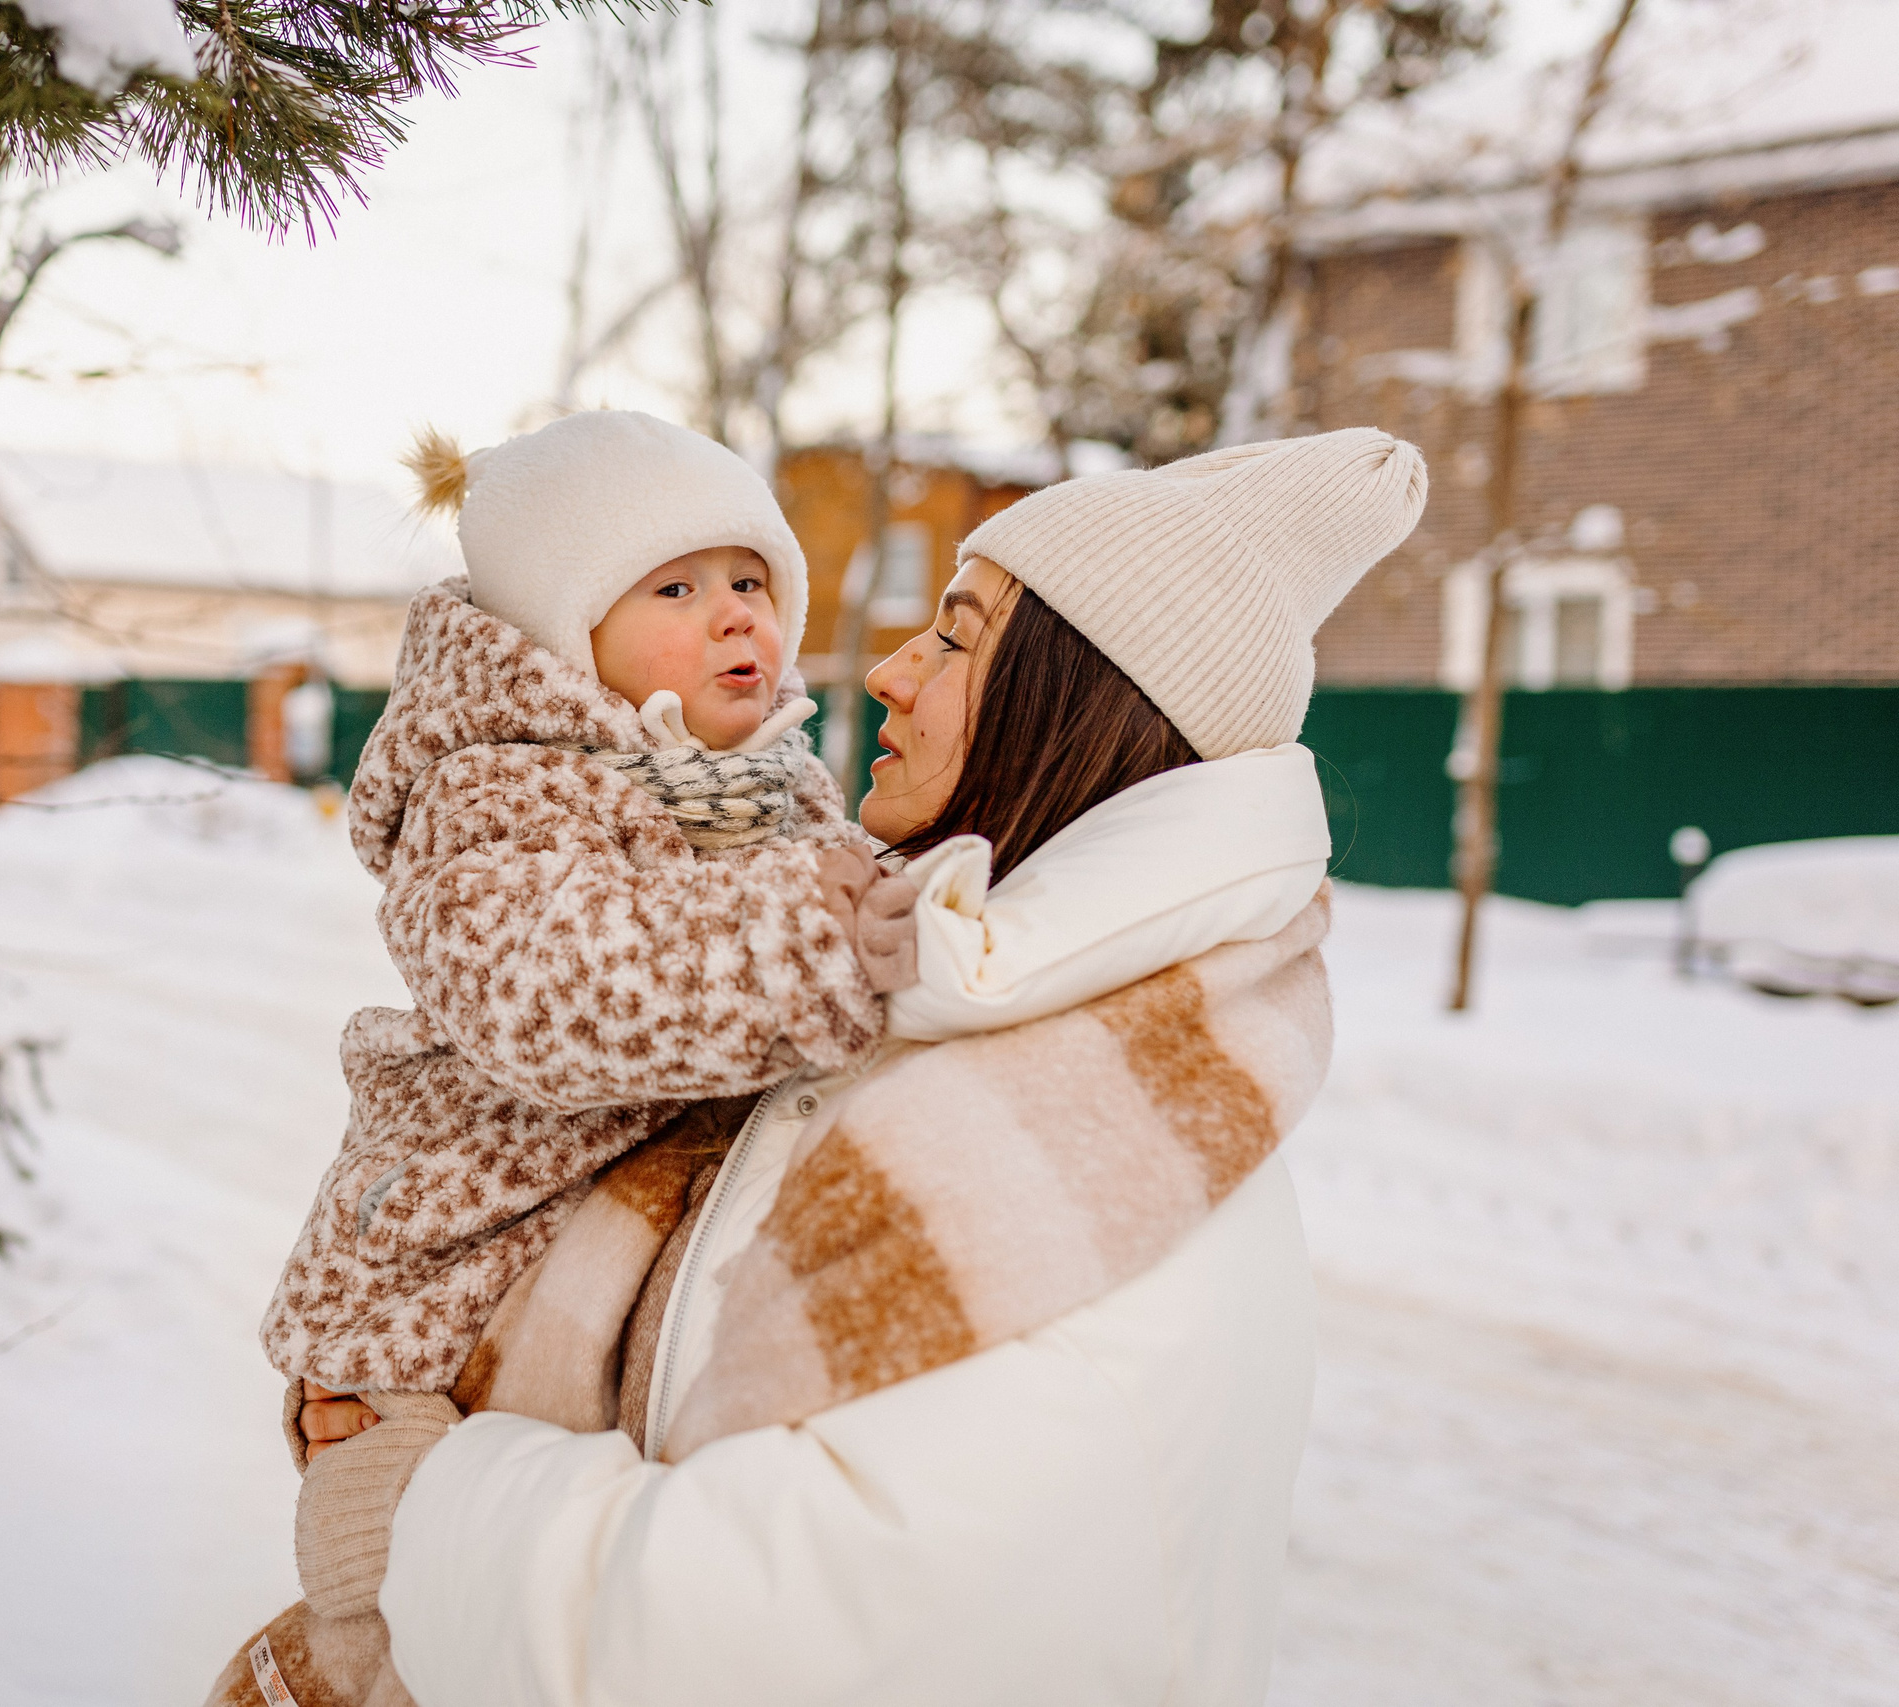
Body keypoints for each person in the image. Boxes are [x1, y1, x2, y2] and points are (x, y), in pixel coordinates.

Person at [262, 427, 1430, 1707]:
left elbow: (739, 1643)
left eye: (955, 635)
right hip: (419, 1264)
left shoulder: (1071, 1114)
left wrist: (427, 1497)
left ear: (1085, 700)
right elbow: (535, 977)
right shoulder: (523, 797)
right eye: (673, 588)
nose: (882, 669)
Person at [226, 411, 920, 1707]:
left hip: (599, 1312)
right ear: (563, 628)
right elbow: (538, 994)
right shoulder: (496, 788)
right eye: (676, 585)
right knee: (390, 1595)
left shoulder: (771, 786)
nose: (735, 619)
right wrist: (816, 947)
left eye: (752, 581)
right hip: (427, 1307)